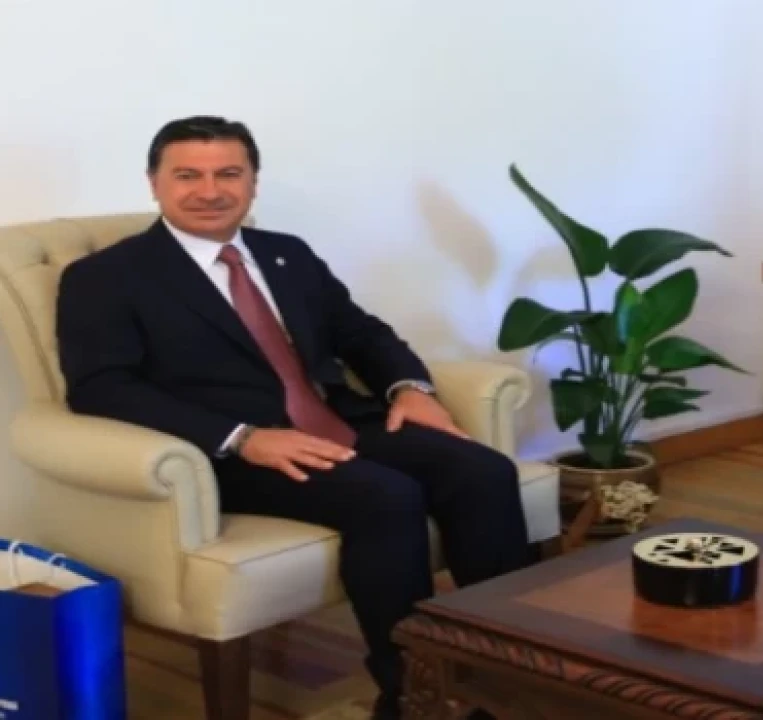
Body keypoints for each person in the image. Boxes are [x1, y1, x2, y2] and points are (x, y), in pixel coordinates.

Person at [55, 116, 530, 719]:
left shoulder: (287, 254)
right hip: (228, 454)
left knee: (484, 472)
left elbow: (361, 333)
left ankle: (507, 675)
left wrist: (410, 387)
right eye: (188, 175)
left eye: (229, 173)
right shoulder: (105, 277)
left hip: (336, 422)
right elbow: (102, 388)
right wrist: (243, 438)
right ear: (155, 183)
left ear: (253, 182)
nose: (210, 191)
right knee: (385, 496)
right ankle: (412, 694)